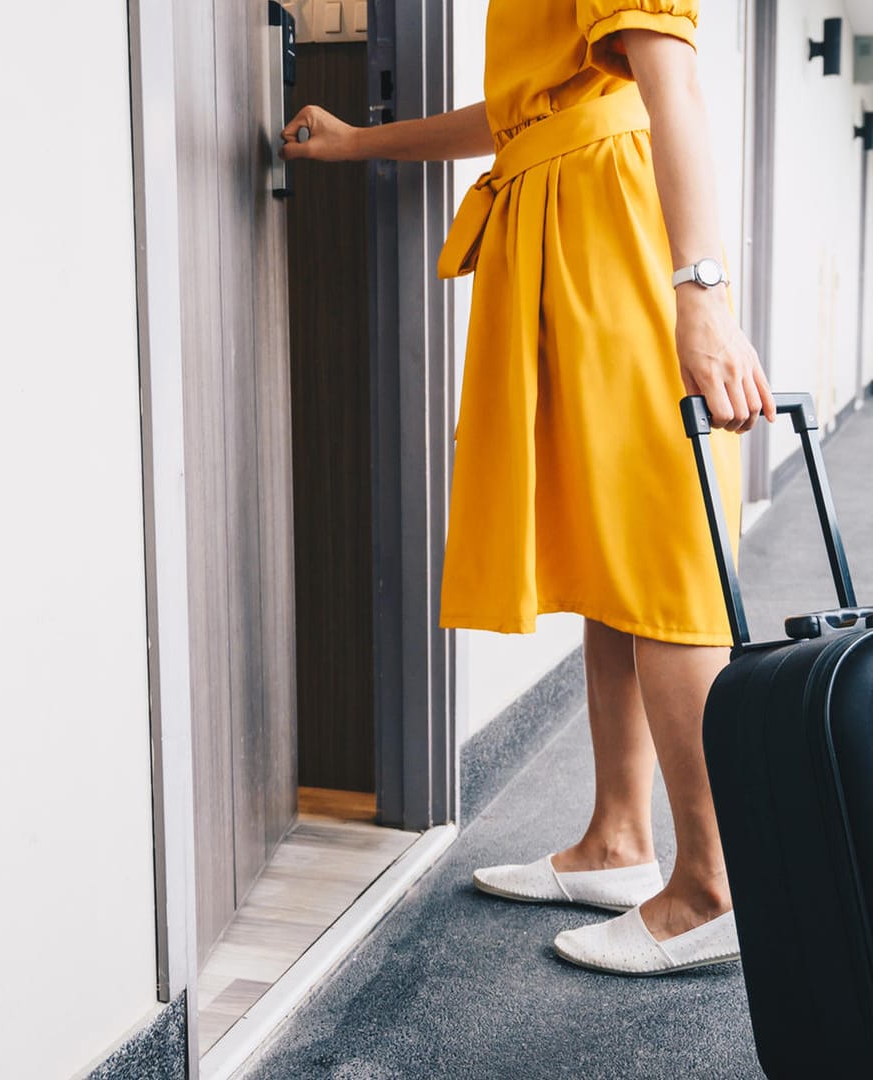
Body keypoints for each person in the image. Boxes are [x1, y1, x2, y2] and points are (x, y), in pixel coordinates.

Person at [282, 0, 771, 977]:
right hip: (561, 225)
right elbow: (516, 117)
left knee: (663, 542)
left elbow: (669, 77)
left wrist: (702, 291)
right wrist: (357, 142)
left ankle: (715, 885)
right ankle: (618, 844)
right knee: (608, 550)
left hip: (618, 234)